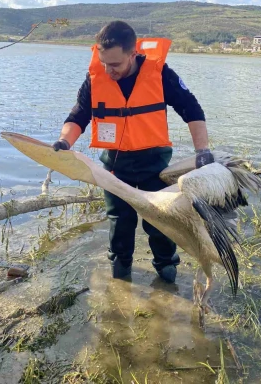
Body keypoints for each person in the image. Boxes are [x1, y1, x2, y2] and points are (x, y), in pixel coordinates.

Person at [51, 20, 214, 283]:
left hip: (155, 164)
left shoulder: (160, 74)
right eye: (104, 63)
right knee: (120, 222)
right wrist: (64, 142)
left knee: (161, 222)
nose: (108, 70)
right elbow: (78, 115)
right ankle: (121, 274)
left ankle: (166, 269)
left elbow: (191, 109)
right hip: (116, 166)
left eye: (115, 65)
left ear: (133, 53)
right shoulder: (95, 78)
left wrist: (203, 151)